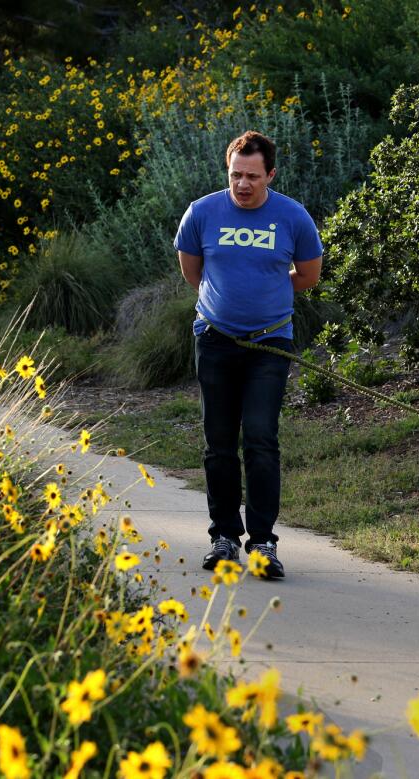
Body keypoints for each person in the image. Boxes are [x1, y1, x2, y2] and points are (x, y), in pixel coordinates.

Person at [173, 130, 323, 579]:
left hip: (269, 344)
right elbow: (192, 270)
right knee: (218, 443)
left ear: (270, 175)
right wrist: (225, 305)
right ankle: (223, 538)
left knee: (260, 438)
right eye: (236, 175)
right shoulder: (202, 213)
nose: (242, 184)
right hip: (216, 341)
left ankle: (262, 544)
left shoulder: (292, 217)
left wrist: (266, 295)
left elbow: (309, 276)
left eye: (252, 177)